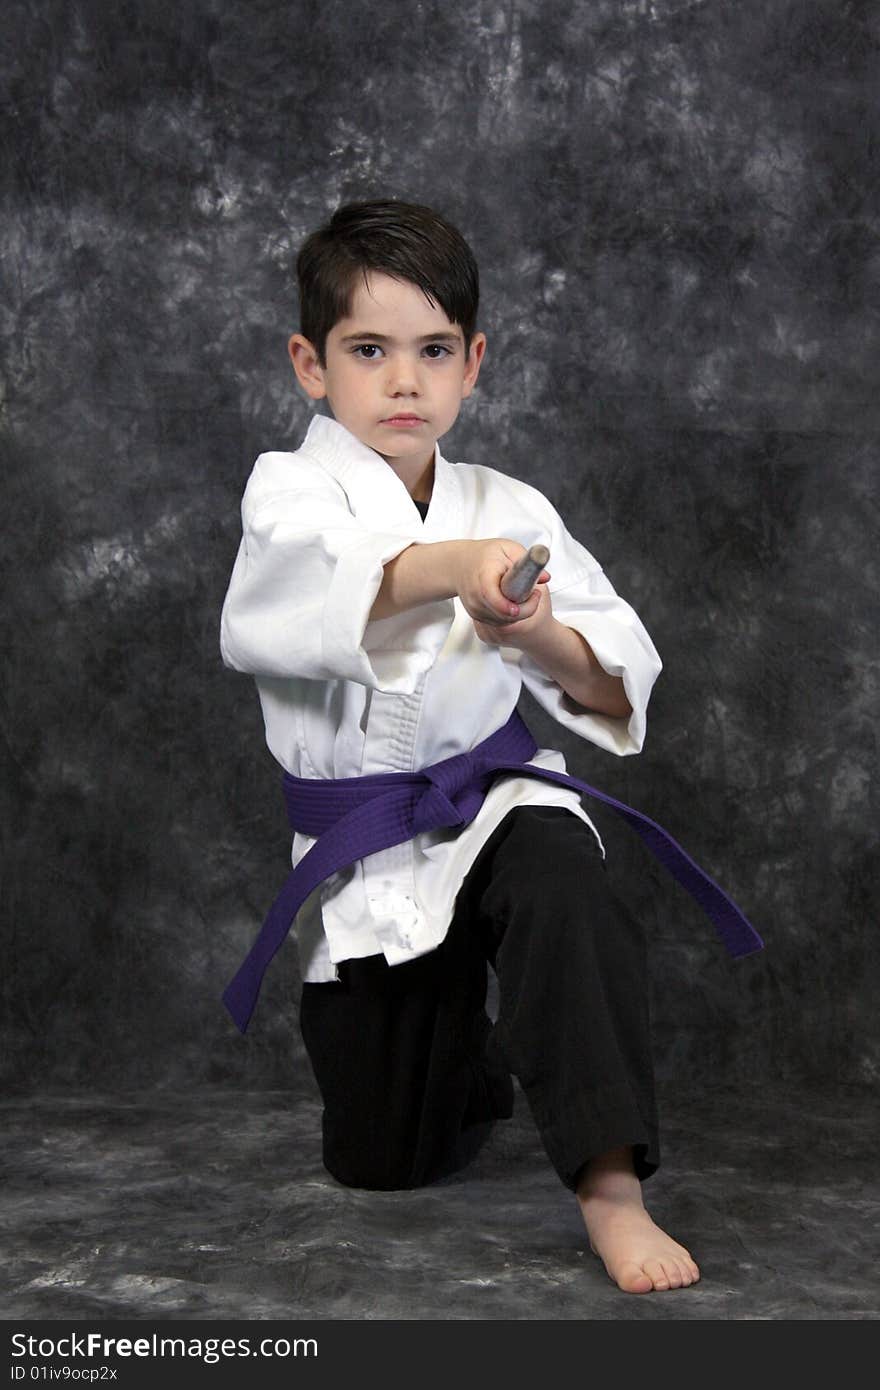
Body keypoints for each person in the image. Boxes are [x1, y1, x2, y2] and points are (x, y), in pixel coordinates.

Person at [219, 198, 702, 1294]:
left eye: (432, 351)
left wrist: (532, 625)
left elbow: (611, 674)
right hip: (370, 840)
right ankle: (485, 1063)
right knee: (382, 1157)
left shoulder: (510, 502)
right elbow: (304, 596)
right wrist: (456, 566)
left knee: (562, 885)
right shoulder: (287, 490)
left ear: (472, 364)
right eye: (369, 350)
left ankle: (612, 1191)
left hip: (495, 792)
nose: (403, 381)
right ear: (310, 364)